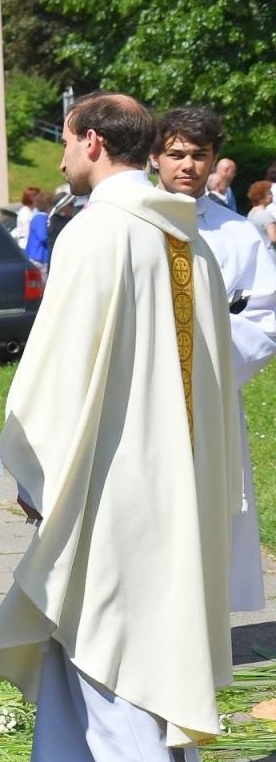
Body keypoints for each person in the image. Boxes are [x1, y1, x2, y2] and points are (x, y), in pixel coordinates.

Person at [0, 93, 240, 762]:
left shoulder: (99, 231)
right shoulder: (185, 235)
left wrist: (38, 468)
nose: (61, 156)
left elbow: (60, 366)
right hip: (173, 464)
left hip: (112, 468)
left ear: (92, 142)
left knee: (105, 625)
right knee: (106, 624)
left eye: (64, 140)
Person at [151, 106, 276, 614]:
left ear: (214, 158)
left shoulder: (237, 234)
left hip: (210, 398)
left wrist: (201, 362)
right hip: (140, 397)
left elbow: (264, 318)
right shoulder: (130, 225)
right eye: (176, 154)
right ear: (154, 157)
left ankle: (203, 615)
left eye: (199, 155)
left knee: (208, 504)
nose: (188, 165)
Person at [25, 190, 54, 269]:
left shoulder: (40, 217)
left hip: (39, 257)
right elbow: (43, 236)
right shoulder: (40, 218)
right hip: (38, 258)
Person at [248, 179, 276, 247]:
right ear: (260, 197)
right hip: (268, 251)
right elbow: (274, 238)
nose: (272, 196)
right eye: (269, 194)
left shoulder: (251, 213)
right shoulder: (265, 215)